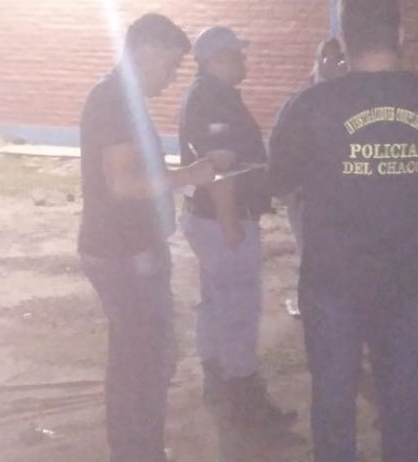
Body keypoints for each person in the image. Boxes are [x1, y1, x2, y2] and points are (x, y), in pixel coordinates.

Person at [268, 0, 418, 460]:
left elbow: (277, 182)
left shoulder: (310, 104)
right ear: (400, 35)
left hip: (332, 277)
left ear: (344, 41)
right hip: (406, 273)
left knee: (333, 395)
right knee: (401, 388)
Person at [77, 14, 226, 462]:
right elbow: (124, 184)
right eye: (172, 64)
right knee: (145, 362)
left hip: (122, 248)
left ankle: (135, 449)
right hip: (125, 253)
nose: (174, 75)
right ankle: (139, 451)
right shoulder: (116, 103)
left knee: (134, 359)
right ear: (146, 52)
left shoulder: (118, 98)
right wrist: (190, 176)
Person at [177, 25, 296, 437]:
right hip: (222, 217)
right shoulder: (213, 99)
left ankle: (218, 380)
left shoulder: (213, 94)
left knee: (215, 301)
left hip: (209, 217)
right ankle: (245, 401)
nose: (244, 59)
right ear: (217, 59)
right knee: (238, 310)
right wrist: (231, 224)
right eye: (237, 53)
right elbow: (219, 168)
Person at [284, 37, 349, 318]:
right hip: (306, 196)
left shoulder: (355, 102)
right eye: (325, 56)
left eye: (339, 58)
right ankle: (311, 304)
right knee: (310, 253)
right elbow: (284, 151)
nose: (331, 63)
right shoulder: (301, 102)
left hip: (343, 196)